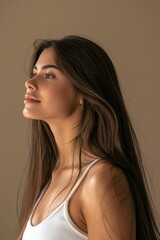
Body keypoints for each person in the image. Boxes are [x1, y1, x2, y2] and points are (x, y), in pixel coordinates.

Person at [17, 35, 160, 240]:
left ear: (83, 92)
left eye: (49, 75)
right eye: (34, 73)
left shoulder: (101, 179)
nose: (29, 83)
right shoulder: (50, 176)